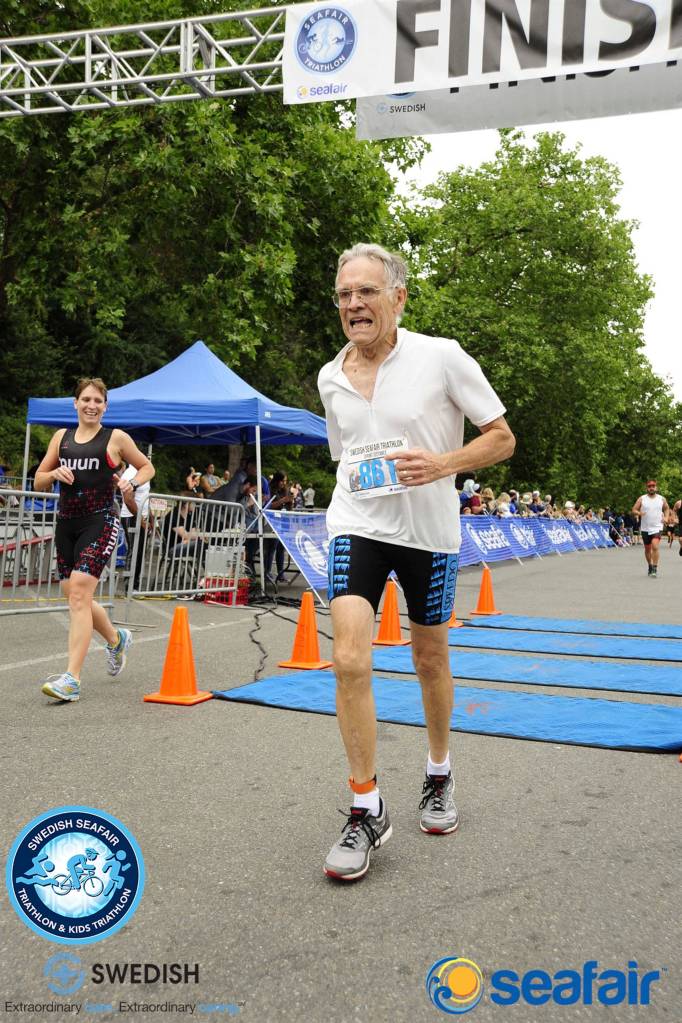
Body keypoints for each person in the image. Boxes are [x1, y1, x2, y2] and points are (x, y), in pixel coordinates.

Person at [317, 242, 514, 881]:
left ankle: (438, 771)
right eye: (345, 295)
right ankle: (365, 804)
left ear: (398, 297)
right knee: (349, 655)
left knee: (428, 656)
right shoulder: (331, 376)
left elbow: (502, 438)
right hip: (357, 523)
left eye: (367, 292)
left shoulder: (441, 356)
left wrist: (443, 464)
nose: (354, 306)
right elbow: (344, 455)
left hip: (429, 532)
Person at [33, 377, 154, 702]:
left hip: (100, 521)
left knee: (79, 596)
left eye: (98, 401)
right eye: (86, 399)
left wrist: (131, 483)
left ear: (105, 406)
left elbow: (146, 467)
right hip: (66, 523)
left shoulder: (115, 438)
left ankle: (71, 679)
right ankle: (116, 639)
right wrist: (53, 474)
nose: (91, 405)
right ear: (75, 403)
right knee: (73, 593)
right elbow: (38, 481)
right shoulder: (62, 438)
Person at [632, 479, 669, 577]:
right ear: (647, 488)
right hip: (645, 528)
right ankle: (650, 565)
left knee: (655, 546)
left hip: (657, 527)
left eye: (653, 486)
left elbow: (666, 508)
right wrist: (639, 513)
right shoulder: (642, 499)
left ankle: (655, 569)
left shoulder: (662, 499)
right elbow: (634, 509)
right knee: (647, 549)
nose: (651, 488)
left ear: (656, 487)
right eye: (649, 486)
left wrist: (666, 517)